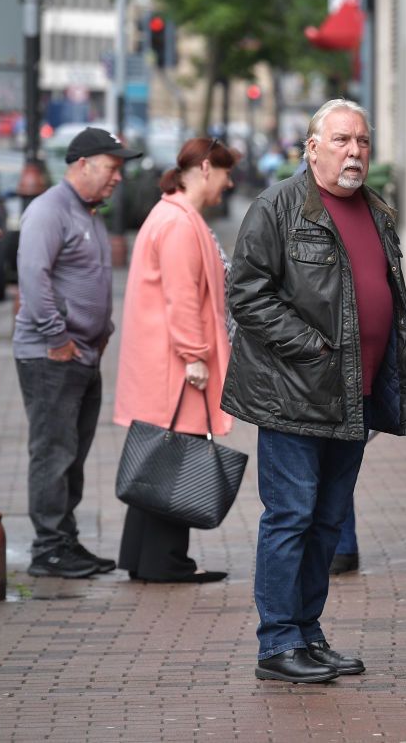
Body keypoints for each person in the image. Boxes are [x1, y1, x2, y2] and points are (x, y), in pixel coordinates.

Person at [222, 99, 406, 684]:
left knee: (328, 520)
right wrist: (312, 346)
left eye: (362, 141)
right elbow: (247, 294)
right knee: (291, 515)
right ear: (312, 148)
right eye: (341, 140)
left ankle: (307, 634)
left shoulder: (375, 210)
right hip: (294, 393)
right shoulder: (278, 207)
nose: (354, 151)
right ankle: (277, 642)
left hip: (352, 394)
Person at [14, 127, 142, 579]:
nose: (117, 178)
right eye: (111, 168)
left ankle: (63, 540)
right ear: (83, 164)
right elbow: (33, 278)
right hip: (52, 357)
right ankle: (48, 549)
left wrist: (102, 329)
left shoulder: (89, 213)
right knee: (53, 453)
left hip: (82, 354)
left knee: (72, 453)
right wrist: (57, 338)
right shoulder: (49, 210)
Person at [113, 137, 241, 583]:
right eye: (226, 173)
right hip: (175, 363)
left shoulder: (171, 215)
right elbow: (182, 296)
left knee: (159, 458)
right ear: (206, 169)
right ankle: (167, 561)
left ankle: (144, 559)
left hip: (161, 360)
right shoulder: (181, 223)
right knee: (177, 457)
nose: (228, 184)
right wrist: (195, 355)